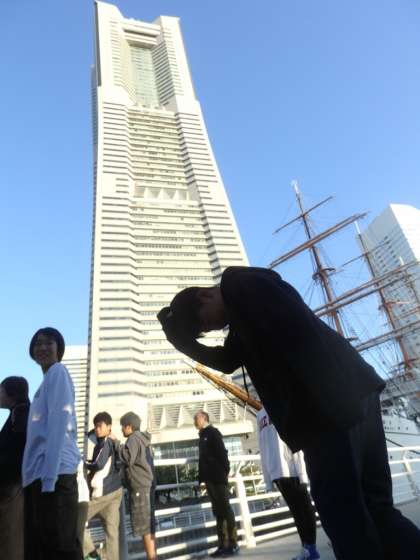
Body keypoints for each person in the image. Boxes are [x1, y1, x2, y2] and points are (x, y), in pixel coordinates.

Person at [157, 266, 420, 560]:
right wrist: (182, 342)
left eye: (206, 323)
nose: (214, 329)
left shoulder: (238, 282)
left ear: (205, 296)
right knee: (376, 507)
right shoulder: (245, 309)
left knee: (343, 515)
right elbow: (228, 360)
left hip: (326, 408)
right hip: (351, 393)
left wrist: (325, 405)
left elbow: (296, 331)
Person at [23, 327, 82, 560]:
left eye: (49, 343)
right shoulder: (45, 383)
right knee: (50, 548)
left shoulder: (58, 372)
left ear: (59, 348)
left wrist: (49, 480)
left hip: (55, 476)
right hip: (43, 476)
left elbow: (59, 421)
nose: (42, 347)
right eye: (38, 343)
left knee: (60, 548)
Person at [257, 407, 319, 560]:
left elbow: (295, 437)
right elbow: (262, 447)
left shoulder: (283, 404)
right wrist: (267, 479)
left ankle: (311, 548)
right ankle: (306, 547)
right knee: (296, 511)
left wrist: (302, 472)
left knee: (304, 508)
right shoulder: (260, 415)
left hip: (292, 468)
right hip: (275, 470)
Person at [112, 411, 156, 560]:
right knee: (149, 525)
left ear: (129, 426)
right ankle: (152, 556)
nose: (121, 429)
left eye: (122, 426)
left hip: (140, 487)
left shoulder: (133, 439)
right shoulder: (143, 439)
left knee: (144, 527)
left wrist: (116, 443)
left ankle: (151, 557)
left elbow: (127, 457)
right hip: (147, 485)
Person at [194, 410, 238, 557]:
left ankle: (233, 544)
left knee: (225, 509)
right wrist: (201, 479)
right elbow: (203, 460)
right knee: (218, 512)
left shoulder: (213, 432)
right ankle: (222, 545)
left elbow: (222, 454)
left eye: (196, 418)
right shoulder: (202, 436)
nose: (194, 421)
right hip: (209, 479)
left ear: (204, 418)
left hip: (218, 477)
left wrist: (224, 472)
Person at [84, 412, 123, 560]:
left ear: (109, 427)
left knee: (76, 519)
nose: (97, 429)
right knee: (112, 533)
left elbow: (98, 464)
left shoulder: (105, 442)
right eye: (96, 426)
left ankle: (91, 554)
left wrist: (83, 463)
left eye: (100, 426)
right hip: (116, 490)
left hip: (103, 492)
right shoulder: (113, 441)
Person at [0, 376, 30, 560]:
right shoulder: (19, 412)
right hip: (14, 487)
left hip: (12, 489)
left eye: (1, 391)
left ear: (11, 393)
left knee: (10, 541)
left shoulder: (20, 414)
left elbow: (16, 452)